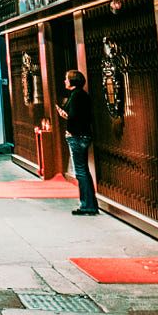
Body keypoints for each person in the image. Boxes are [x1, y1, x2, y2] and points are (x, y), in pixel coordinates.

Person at [59, 69, 98, 215]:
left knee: (80, 172)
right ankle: (90, 203)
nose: (64, 81)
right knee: (84, 171)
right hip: (84, 134)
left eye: (66, 79)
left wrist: (70, 129)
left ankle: (87, 205)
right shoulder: (83, 95)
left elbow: (74, 117)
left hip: (77, 137)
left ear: (72, 81)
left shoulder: (75, 96)